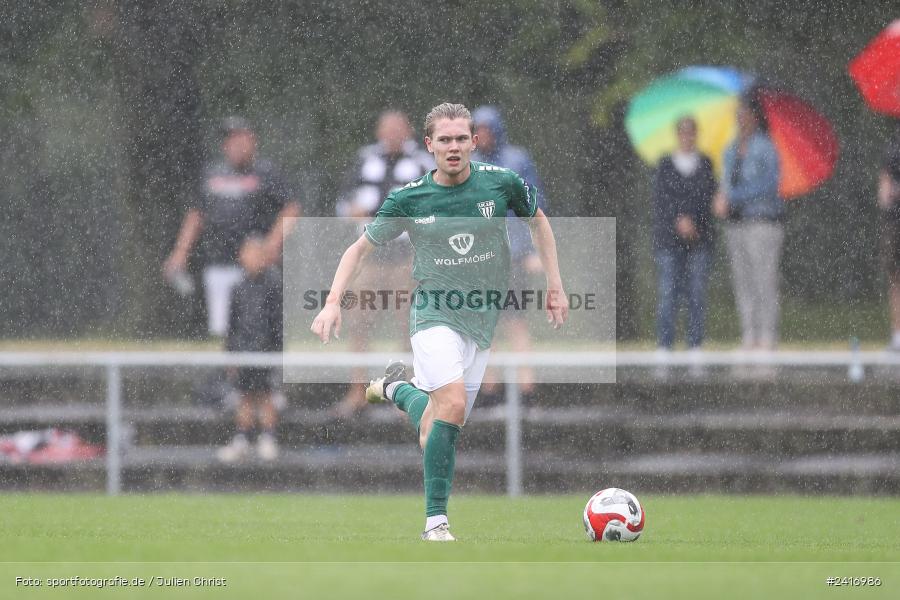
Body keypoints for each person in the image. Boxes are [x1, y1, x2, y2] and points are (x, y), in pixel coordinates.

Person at [310, 103, 568, 541]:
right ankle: (436, 523)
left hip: (481, 321)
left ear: (474, 141)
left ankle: (396, 388)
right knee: (447, 408)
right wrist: (332, 302)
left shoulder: (500, 184)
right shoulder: (409, 198)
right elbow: (359, 250)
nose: (453, 147)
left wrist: (556, 285)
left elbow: (539, 222)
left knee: (438, 424)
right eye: (444, 140)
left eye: (461, 138)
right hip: (433, 314)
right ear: (429, 145)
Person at [333, 111, 434, 416]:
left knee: (409, 329)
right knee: (359, 324)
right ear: (378, 131)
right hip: (370, 257)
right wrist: (351, 210)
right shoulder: (364, 160)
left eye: (397, 129)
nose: (391, 134)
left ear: (408, 131)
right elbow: (341, 201)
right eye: (386, 129)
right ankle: (358, 391)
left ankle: (406, 395)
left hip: (407, 259)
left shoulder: (422, 162)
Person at [164, 117, 301, 339]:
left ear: (252, 140)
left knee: (256, 328)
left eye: (240, 138)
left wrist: (272, 245)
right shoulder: (213, 174)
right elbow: (196, 215)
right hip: (218, 262)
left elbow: (291, 208)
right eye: (230, 139)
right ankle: (231, 373)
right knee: (223, 331)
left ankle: (260, 372)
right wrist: (180, 252)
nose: (235, 144)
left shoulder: (266, 173)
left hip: (254, 269)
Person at [471, 105, 547, 394]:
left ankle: (525, 385)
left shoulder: (517, 160)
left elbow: (534, 206)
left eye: (487, 130)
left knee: (514, 320)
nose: (483, 136)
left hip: (513, 253)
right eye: (478, 131)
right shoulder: (470, 163)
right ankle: (489, 387)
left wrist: (532, 251)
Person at [713, 94, 783, 350]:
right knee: (742, 281)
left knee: (764, 279)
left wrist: (734, 196)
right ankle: (749, 333)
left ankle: (767, 334)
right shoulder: (730, 150)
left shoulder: (765, 147)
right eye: (737, 115)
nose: (741, 120)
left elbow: (769, 184)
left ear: (754, 117)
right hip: (736, 225)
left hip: (761, 222)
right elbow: (726, 183)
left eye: (745, 115)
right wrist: (721, 197)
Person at [217, 237, 285, 462]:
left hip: (266, 353)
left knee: (266, 395)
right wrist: (231, 355)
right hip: (244, 352)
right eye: (248, 254)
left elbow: (277, 324)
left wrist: (275, 354)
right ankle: (242, 439)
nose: (252, 259)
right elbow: (231, 326)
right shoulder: (238, 288)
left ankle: (268, 437)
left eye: (257, 254)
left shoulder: (274, 286)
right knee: (244, 396)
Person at [652, 117, 717, 352]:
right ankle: (665, 344)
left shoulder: (706, 164)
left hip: (700, 242)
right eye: (683, 132)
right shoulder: (665, 165)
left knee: (696, 293)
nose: (687, 137)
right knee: (668, 292)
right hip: (668, 242)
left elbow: (708, 198)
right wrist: (678, 221)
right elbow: (661, 201)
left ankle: (695, 343)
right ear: (677, 135)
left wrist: (694, 222)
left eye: (691, 132)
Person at [878, 126, 900, 351]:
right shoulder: (894, 141)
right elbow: (886, 173)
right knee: (895, 277)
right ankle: (897, 334)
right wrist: (885, 193)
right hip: (894, 218)